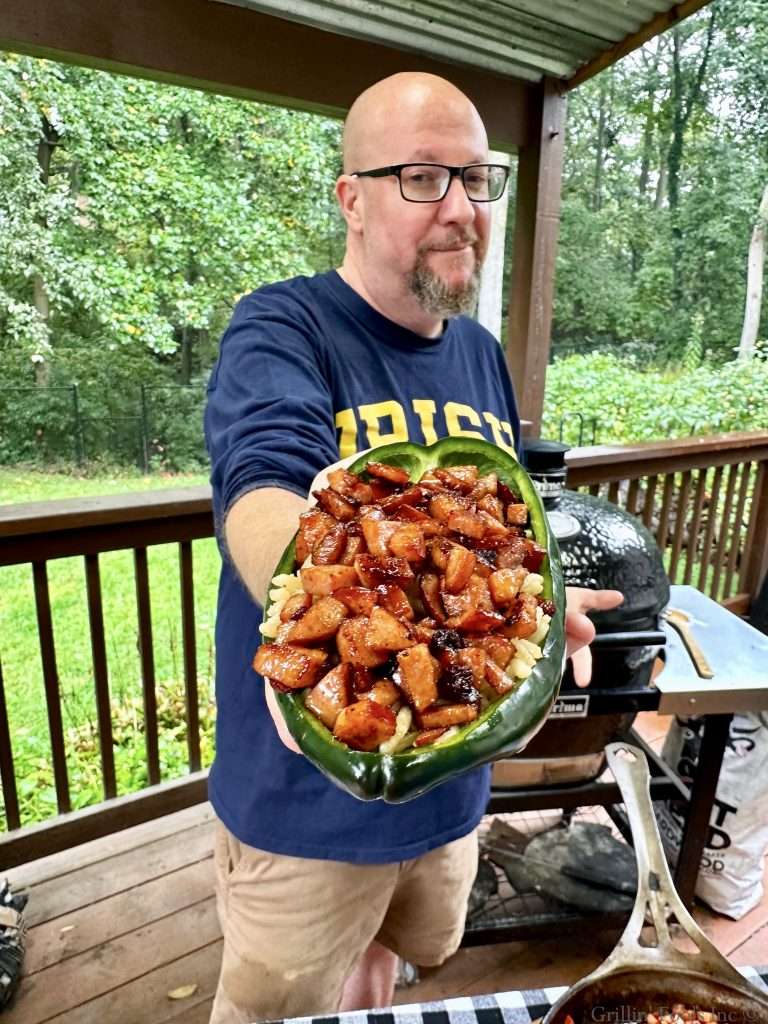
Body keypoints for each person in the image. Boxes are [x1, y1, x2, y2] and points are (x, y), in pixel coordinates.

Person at [204, 71, 622, 1024]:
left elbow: (502, 527)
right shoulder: (284, 324)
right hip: (305, 807)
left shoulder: (477, 352)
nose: (462, 209)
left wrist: (534, 619)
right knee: (276, 1005)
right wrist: (318, 623)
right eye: (424, 177)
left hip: (447, 791)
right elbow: (263, 481)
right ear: (351, 199)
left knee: (397, 961)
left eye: (478, 180)